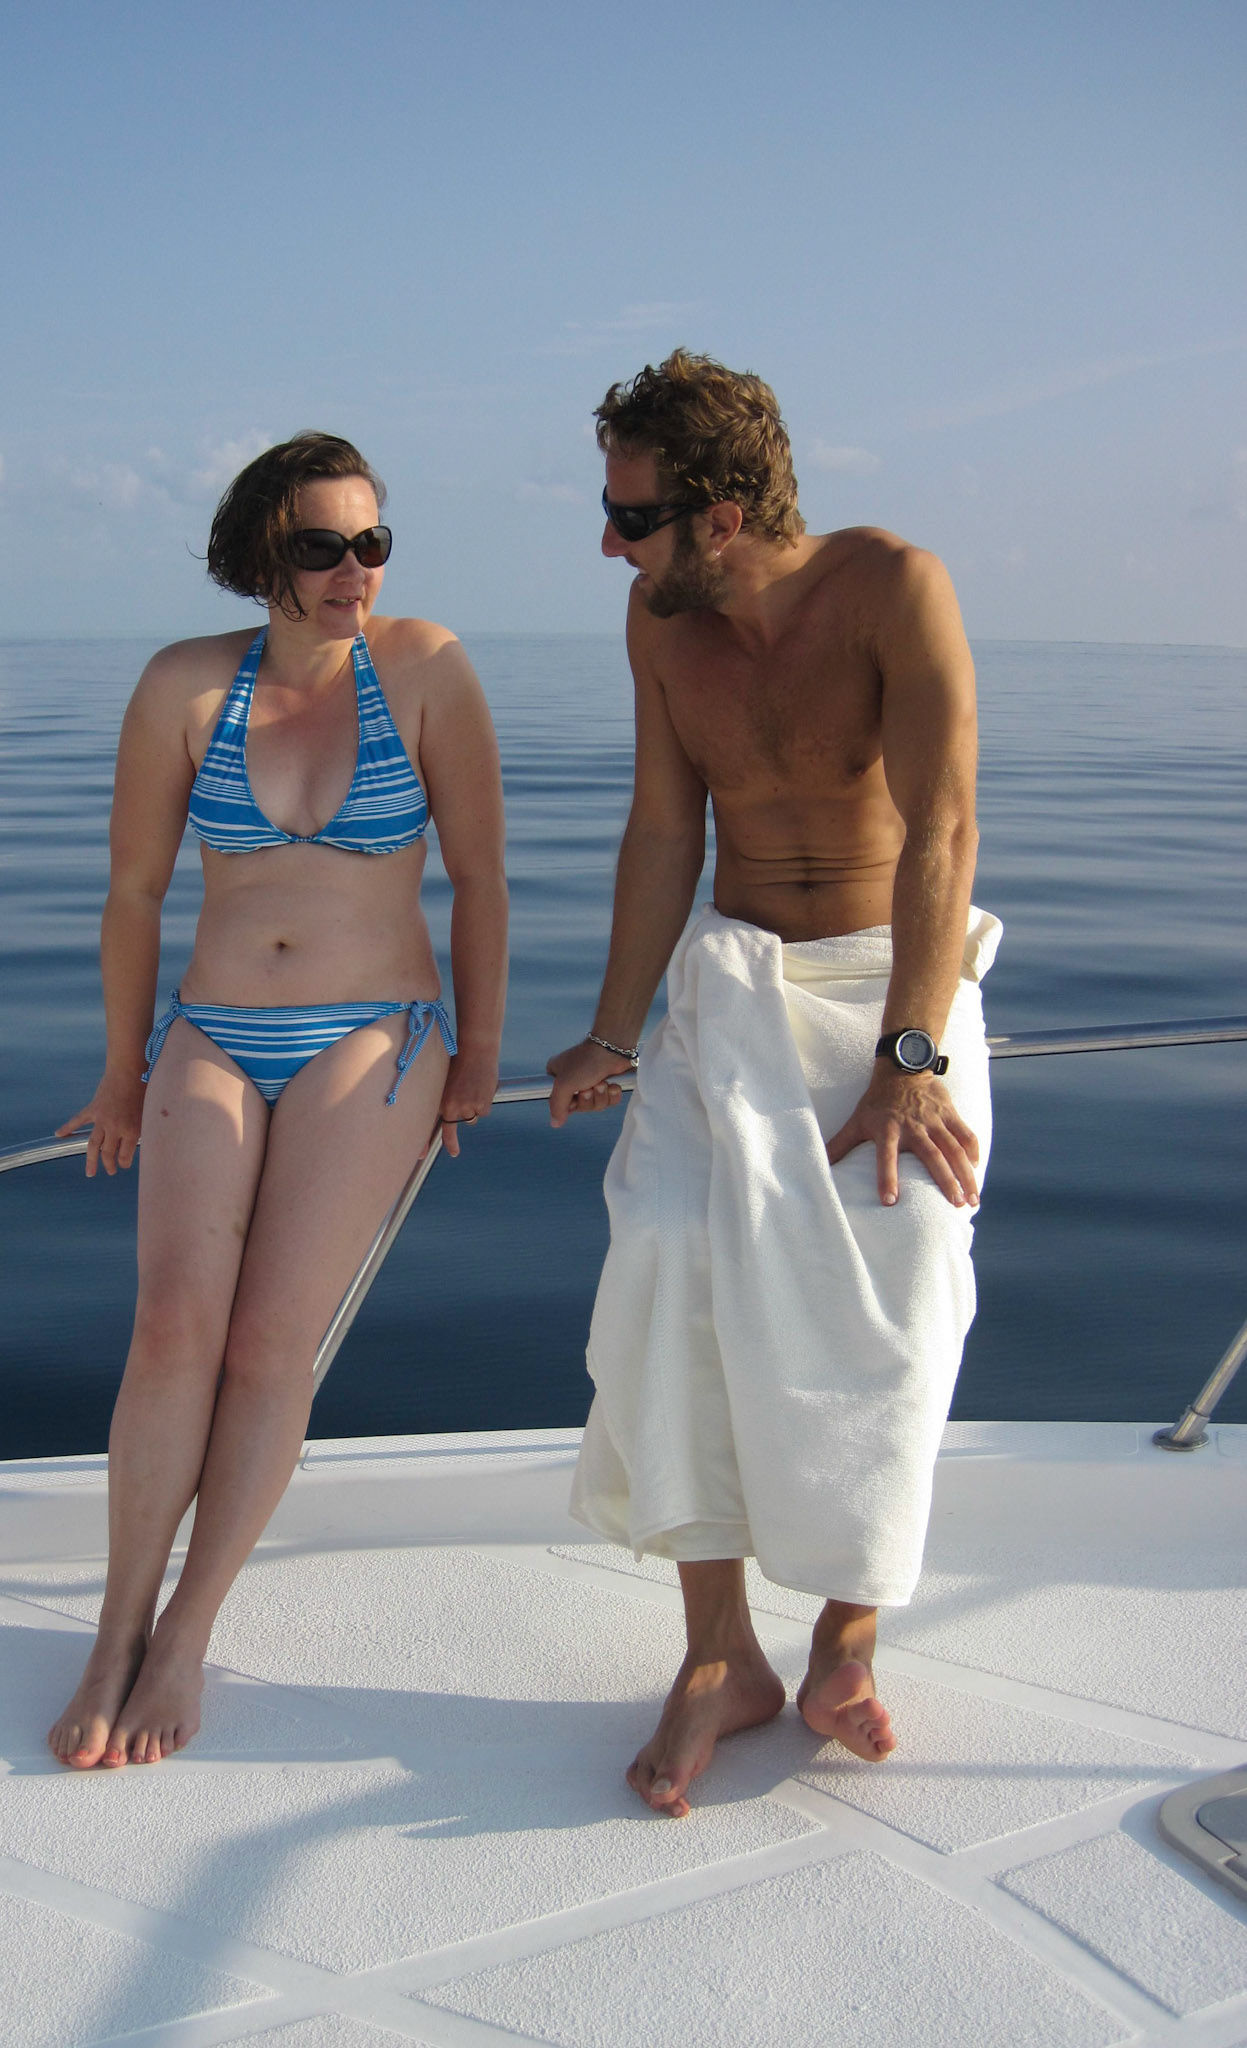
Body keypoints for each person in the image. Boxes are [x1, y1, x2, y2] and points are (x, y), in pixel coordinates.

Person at [547, 352, 999, 1817]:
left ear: (723, 513)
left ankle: (848, 1640)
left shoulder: (892, 590)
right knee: (669, 1253)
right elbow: (663, 836)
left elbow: (942, 830)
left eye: (634, 514)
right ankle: (718, 1656)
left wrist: (914, 1055)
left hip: (894, 985)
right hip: (736, 985)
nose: (610, 542)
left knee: (912, 1260)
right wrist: (616, 1036)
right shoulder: (658, 625)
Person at [49, 431, 507, 1769]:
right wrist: (122, 1069)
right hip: (212, 1026)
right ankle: (113, 1630)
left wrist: (479, 1056)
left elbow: (479, 879)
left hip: (376, 1032)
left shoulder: (424, 668)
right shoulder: (186, 687)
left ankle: (187, 1634)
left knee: (266, 1344)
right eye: (321, 547)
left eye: (371, 543)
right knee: (173, 1326)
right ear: (263, 553)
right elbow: (133, 893)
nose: (352, 572)